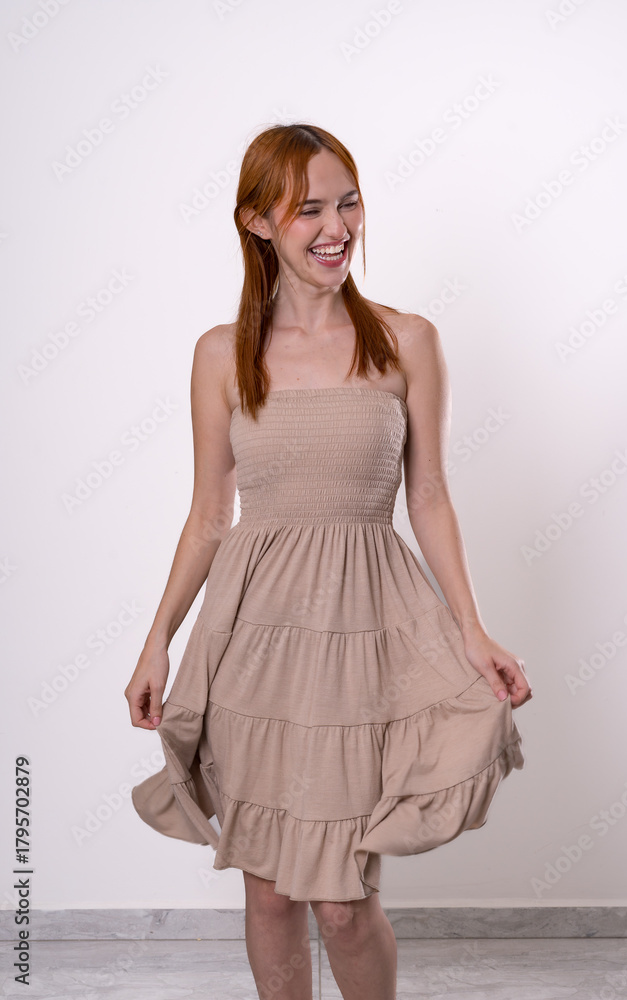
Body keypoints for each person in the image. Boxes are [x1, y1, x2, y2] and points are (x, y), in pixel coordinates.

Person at [125, 122, 532, 1000]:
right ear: (257, 222)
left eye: (346, 201)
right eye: (306, 207)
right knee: (270, 895)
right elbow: (207, 516)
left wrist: (472, 629)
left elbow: (427, 499)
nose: (334, 224)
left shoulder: (405, 340)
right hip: (254, 644)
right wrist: (157, 640)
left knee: (342, 902)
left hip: (363, 641)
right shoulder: (219, 354)